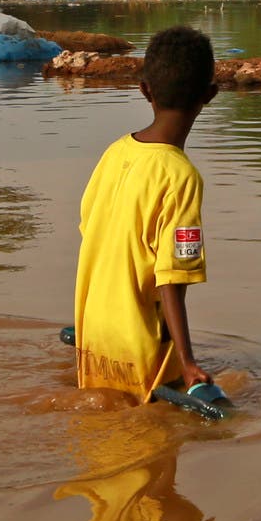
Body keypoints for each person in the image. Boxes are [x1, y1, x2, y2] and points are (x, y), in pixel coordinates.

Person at [72, 25, 218, 404]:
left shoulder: (115, 153)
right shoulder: (180, 176)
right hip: (140, 347)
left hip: (94, 339)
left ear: (144, 89)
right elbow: (171, 276)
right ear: (210, 94)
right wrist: (187, 363)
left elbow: (93, 232)